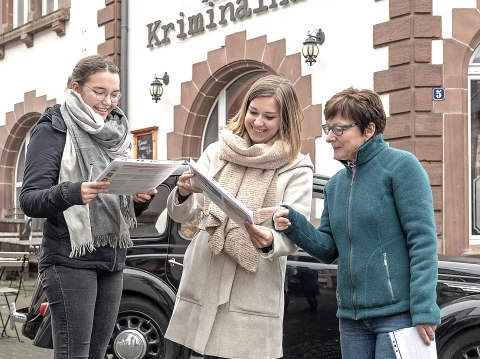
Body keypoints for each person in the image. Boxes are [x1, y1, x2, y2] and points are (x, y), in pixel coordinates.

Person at [261, 87, 440, 359]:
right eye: (328, 128)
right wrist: (293, 222)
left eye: (339, 129)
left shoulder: (402, 166)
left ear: (368, 129)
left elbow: (423, 241)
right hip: (351, 319)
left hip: (397, 315)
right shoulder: (335, 185)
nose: (329, 137)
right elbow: (328, 249)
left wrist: (425, 307)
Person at [164, 75, 314, 359]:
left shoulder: (297, 167)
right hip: (206, 272)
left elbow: (294, 232)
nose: (258, 122)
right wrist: (183, 193)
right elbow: (184, 213)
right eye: (253, 112)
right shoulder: (217, 151)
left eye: (269, 116)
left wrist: (270, 239)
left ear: (286, 120)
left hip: (252, 282)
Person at [19, 55, 157, 359]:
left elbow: (115, 201)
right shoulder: (53, 128)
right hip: (68, 260)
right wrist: (72, 192)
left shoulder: (116, 132)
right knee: (74, 354)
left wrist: (135, 200)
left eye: (114, 93)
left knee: (97, 353)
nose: (108, 101)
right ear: (76, 87)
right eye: (99, 92)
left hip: (112, 259)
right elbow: (29, 199)